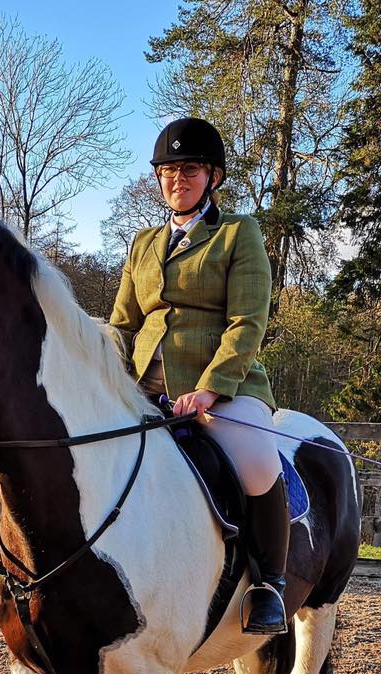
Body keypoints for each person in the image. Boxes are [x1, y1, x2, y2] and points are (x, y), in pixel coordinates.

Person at [109, 117, 288, 635]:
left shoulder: (238, 233)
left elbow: (248, 321)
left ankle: (268, 585)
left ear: (212, 176)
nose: (176, 179)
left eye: (188, 169)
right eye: (167, 170)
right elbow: (123, 324)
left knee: (256, 464)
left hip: (224, 388)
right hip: (143, 388)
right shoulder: (143, 243)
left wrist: (210, 386)